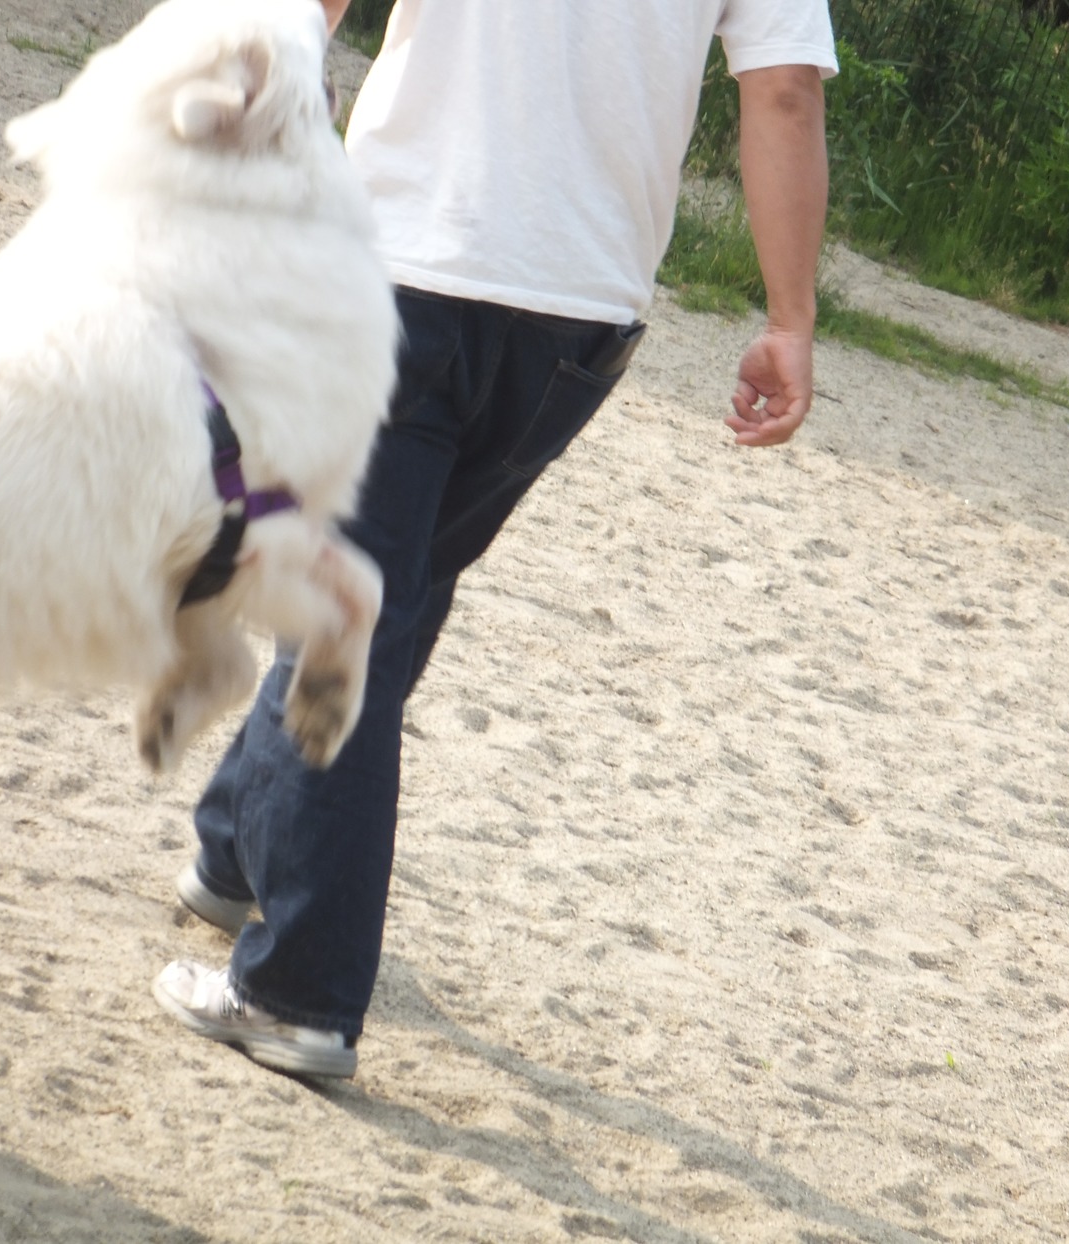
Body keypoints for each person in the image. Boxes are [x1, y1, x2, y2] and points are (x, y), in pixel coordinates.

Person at [151, 0, 836, 1078]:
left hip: (409, 252)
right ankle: (243, 846)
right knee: (400, 583)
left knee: (347, 614)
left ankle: (294, 992)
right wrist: (790, 320)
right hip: (583, 311)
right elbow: (785, 91)